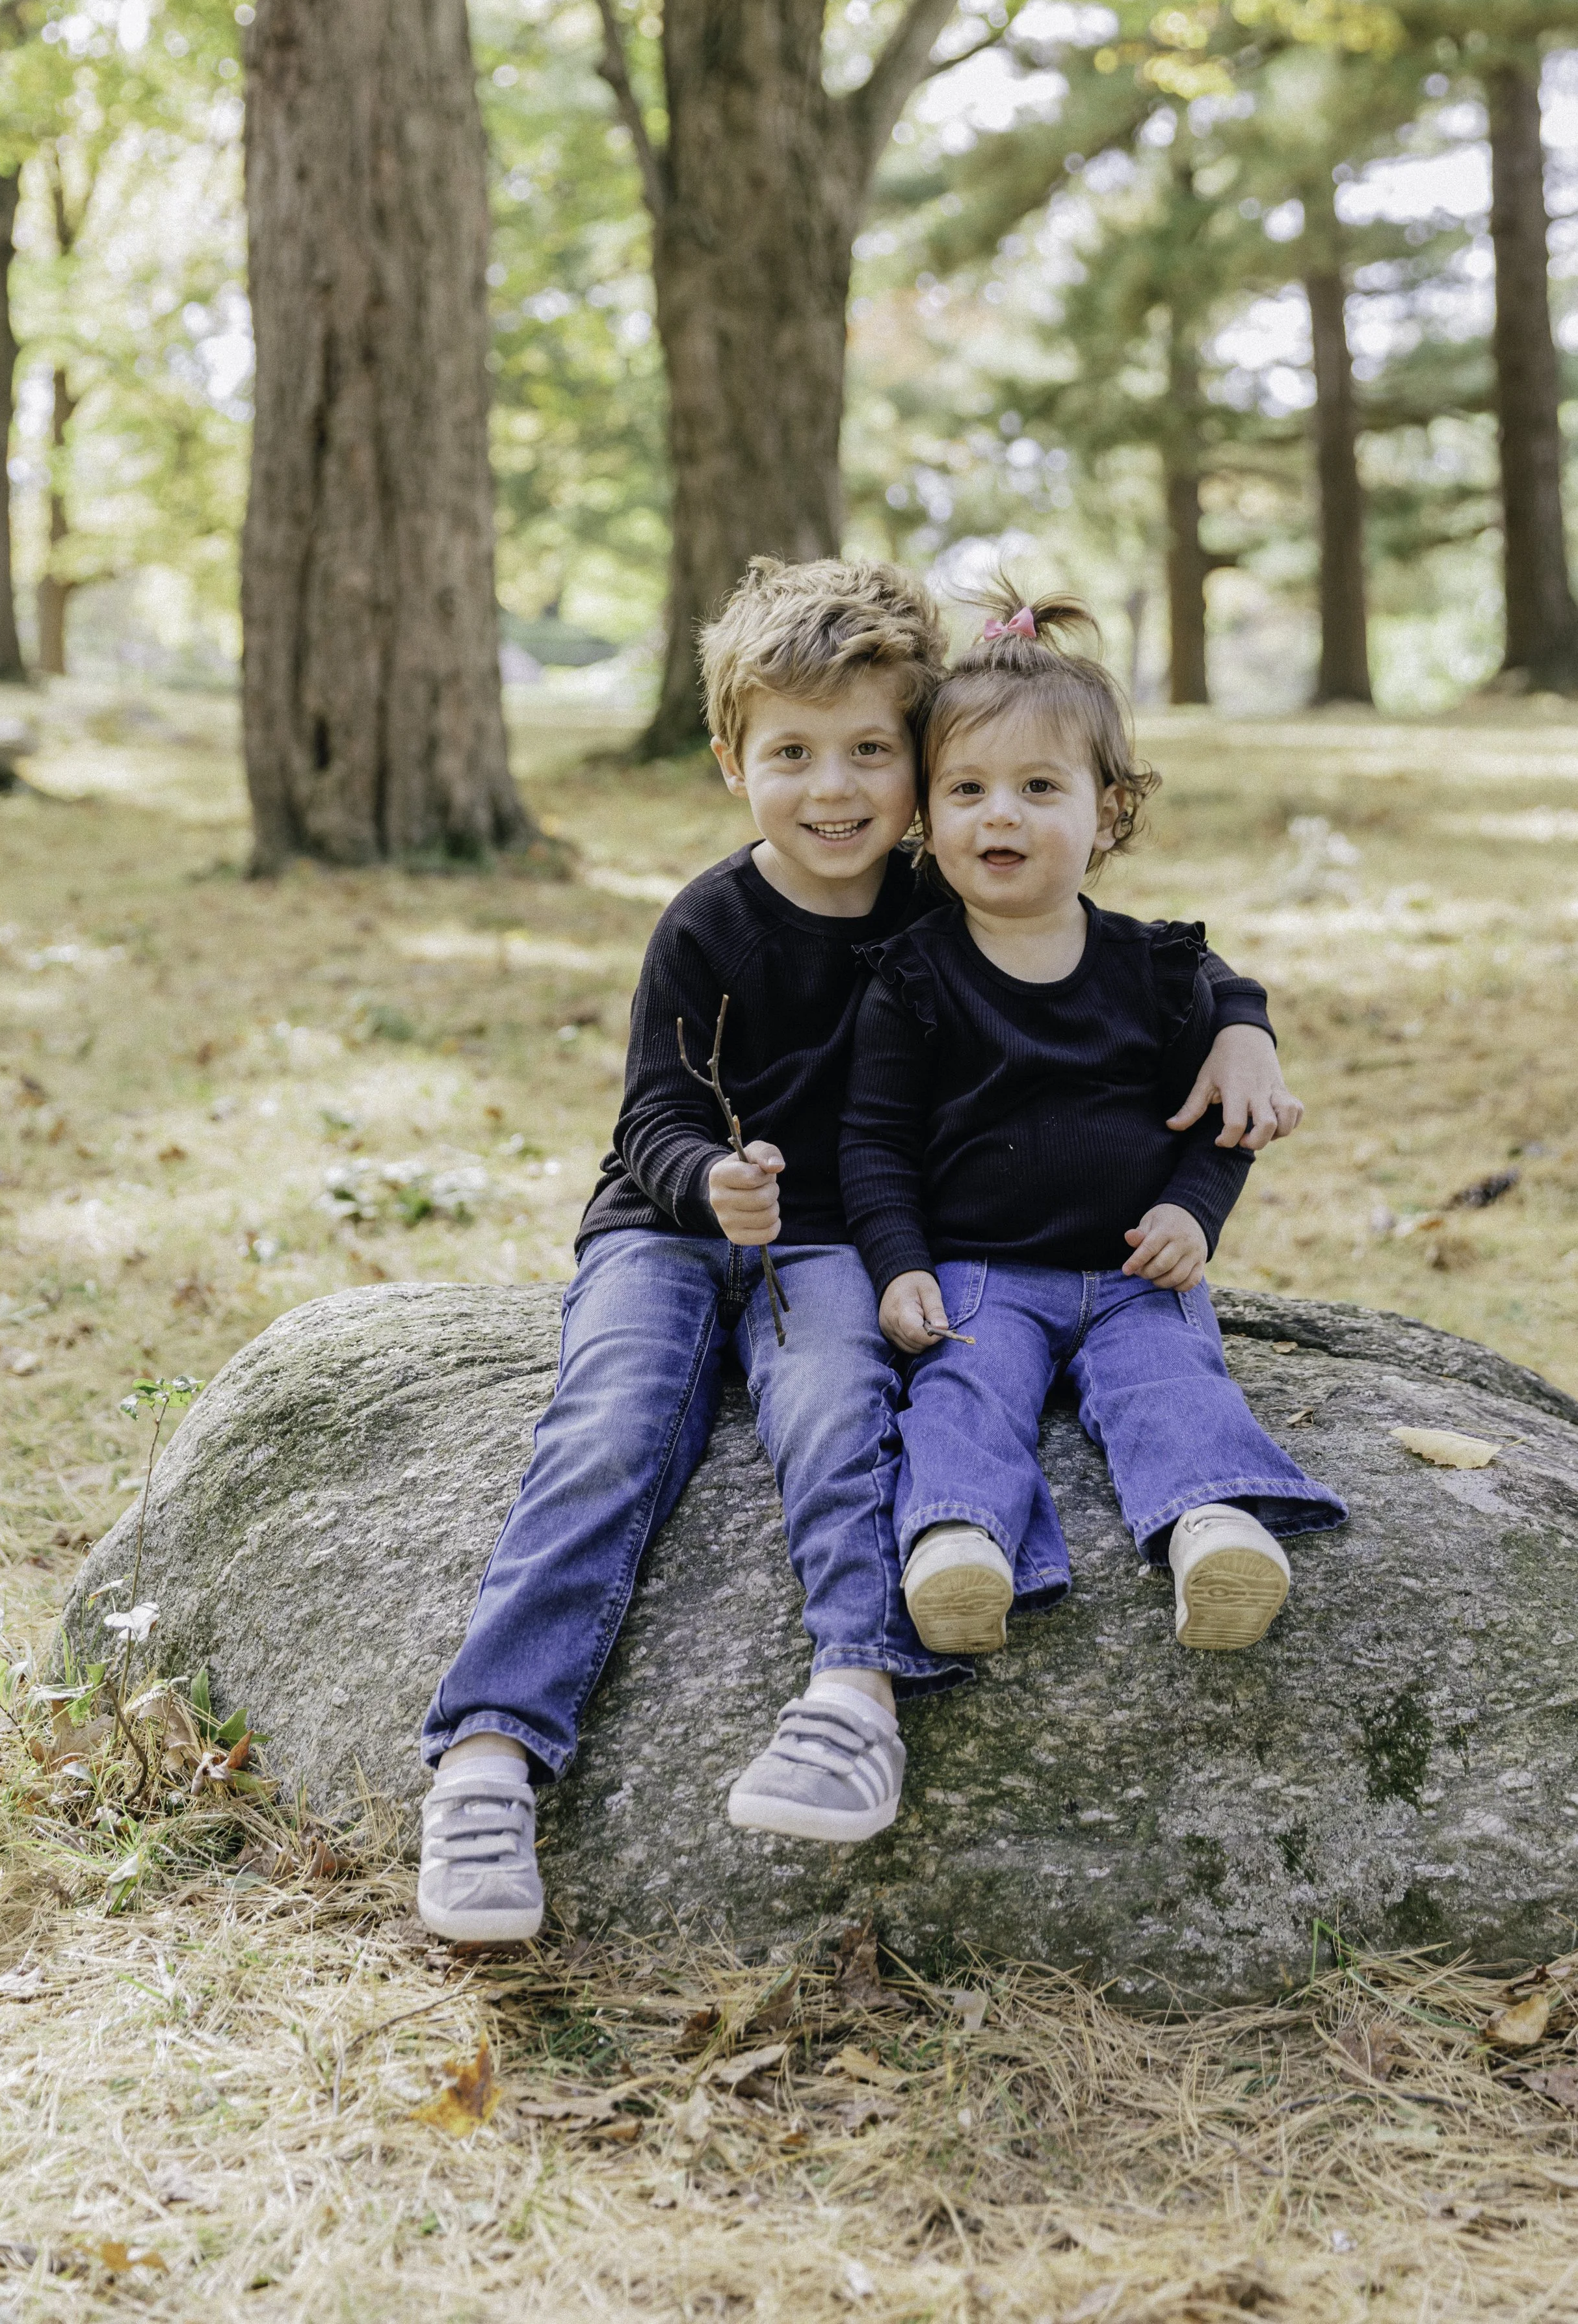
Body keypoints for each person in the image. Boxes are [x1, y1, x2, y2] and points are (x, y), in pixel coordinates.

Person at [416, 560, 1303, 1945]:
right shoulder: (709, 921)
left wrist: (1241, 1017)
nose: (831, 791)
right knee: (599, 1438)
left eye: (869, 754)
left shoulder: (939, 898)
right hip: (663, 1233)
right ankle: (487, 1758)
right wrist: (706, 1178)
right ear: (729, 761)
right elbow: (650, 1106)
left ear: (918, 766)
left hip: (832, 1243)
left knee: (843, 1415)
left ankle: (852, 1698)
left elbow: (1129, 952)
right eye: (789, 755)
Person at [839, 585, 1347, 1664]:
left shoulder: (1155, 972)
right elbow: (874, 1141)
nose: (1001, 815)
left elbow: (1225, 1118)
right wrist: (898, 1262)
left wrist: (1191, 1211)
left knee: (1173, 1383)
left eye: (1038, 786)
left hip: (1134, 1270)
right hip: (982, 1271)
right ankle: (960, 1541)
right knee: (963, 1393)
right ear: (927, 816)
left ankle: (1211, 1527)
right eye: (967, 789)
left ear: (1108, 809)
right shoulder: (914, 979)